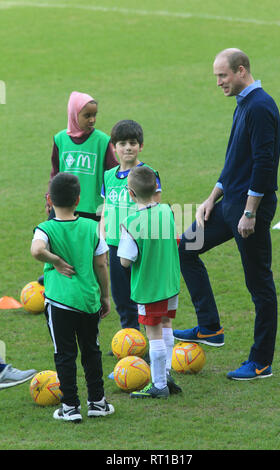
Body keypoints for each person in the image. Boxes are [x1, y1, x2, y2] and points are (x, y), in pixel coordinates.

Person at [173, 48, 280, 381]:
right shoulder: (244, 104)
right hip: (228, 204)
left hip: (250, 209)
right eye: (217, 76)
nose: (219, 82)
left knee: (259, 285)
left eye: (223, 76)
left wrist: (250, 212)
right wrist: (211, 198)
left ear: (241, 70)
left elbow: (263, 164)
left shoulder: (260, 107)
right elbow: (235, 160)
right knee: (187, 248)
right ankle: (209, 327)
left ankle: (260, 362)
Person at [31, 172, 114, 422]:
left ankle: (70, 408)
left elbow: (36, 251)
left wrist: (54, 260)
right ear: (78, 200)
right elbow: (101, 265)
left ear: (49, 199)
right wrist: (106, 297)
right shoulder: (92, 227)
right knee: (92, 351)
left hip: (59, 302)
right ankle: (97, 403)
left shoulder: (45, 228)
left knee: (64, 354)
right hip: (88, 301)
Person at [117, 165, 181, 398]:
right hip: (171, 283)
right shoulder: (168, 210)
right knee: (166, 326)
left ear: (130, 193)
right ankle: (166, 373)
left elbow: (125, 261)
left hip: (149, 288)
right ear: (156, 189)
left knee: (153, 332)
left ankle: (159, 385)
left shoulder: (130, 222)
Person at [101, 120, 161, 331]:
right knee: (121, 297)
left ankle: (149, 340)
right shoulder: (108, 176)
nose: (128, 147)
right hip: (116, 245)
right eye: (123, 143)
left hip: (140, 247)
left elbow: (156, 210)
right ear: (114, 147)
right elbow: (106, 210)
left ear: (141, 146)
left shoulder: (147, 174)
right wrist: (103, 241)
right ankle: (129, 339)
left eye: (133, 143)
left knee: (142, 296)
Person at [46, 91, 118, 221]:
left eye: (95, 115)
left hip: (93, 208)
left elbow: (114, 173)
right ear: (74, 115)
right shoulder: (60, 139)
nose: (92, 120)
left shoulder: (102, 141)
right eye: (87, 116)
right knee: (51, 237)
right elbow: (55, 172)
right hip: (63, 205)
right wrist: (49, 196)